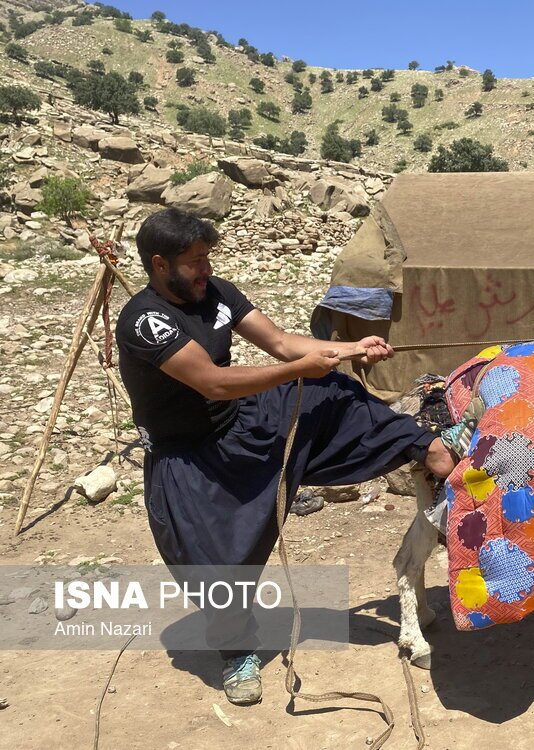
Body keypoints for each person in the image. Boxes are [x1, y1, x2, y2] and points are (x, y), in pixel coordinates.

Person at [115, 208, 455, 705]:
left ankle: (424, 447)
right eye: (195, 262)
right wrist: (300, 368)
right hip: (188, 457)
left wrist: (347, 350)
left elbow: (279, 342)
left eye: (208, 257)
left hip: (240, 425)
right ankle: (237, 652)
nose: (205, 269)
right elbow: (212, 381)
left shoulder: (217, 293)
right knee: (220, 566)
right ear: (160, 264)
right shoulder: (146, 321)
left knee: (333, 391)